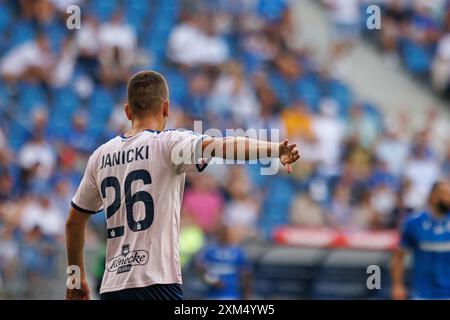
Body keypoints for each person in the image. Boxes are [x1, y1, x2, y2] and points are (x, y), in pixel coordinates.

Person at [65, 70, 300, 300]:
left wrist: (76, 278)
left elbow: (74, 222)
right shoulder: (168, 143)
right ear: (166, 108)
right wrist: (273, 150)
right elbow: (223, 146)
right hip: (157, 282)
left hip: (113, 286)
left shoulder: (100, 156)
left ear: (128, 111)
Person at [391, 181, 450, 300]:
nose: (448, 199)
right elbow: (398, 257)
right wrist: (397, 285)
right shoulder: (413, 223)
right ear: (433, 196)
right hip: (422, 294)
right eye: (446, 194)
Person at [196, 225, 252, 300]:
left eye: (225, 234)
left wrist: (246, 295)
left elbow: (246, 273)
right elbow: (200, 269)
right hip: (211, 294)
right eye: (220, 233)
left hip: (231, 294)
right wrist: (212, 279)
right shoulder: (210, 251)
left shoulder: (238, 252)